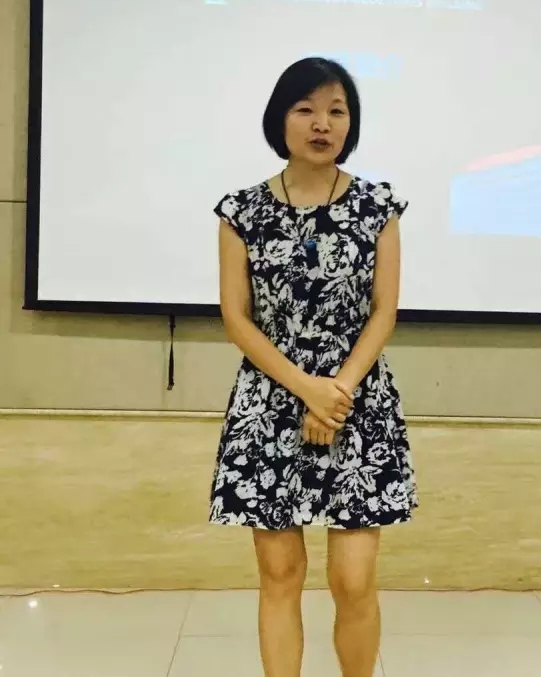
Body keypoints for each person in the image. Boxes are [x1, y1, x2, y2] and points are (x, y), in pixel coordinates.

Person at [210, 57, 417, 677]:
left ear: (351, 124)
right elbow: (236, 318)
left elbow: (384, 312)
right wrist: (306, 388)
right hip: (270, 403)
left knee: (353, 580)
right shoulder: (242, 211)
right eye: (305, 109)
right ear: (281, 119)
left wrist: (336, 392)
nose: (322, 124)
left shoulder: (378, 206)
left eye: (336, 111)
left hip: (357, 403)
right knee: (280, 575)